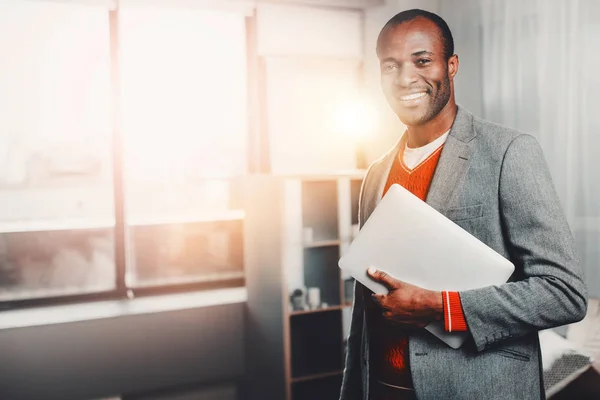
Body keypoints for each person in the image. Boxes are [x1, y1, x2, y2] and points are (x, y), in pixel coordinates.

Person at [339, 9, 588, 400]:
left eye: (422, 61)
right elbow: (363, 314)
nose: (406, 78)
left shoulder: (509, 153)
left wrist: (442, 307)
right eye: (391, 65)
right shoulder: (375, 174)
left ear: (451, 66)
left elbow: (563, 293)